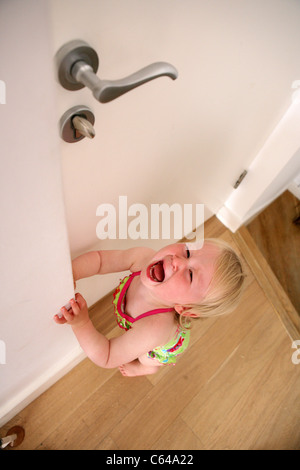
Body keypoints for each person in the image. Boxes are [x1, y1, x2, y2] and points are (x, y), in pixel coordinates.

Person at [54, 239, 245, 377]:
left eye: (190, 275)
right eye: (187, 251)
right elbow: (101, 261)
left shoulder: (154, 329)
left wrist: (81, 324)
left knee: (147, 357)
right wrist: (73, 272)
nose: (177, 260)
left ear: (185, 307)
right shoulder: (143, 257)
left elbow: (108, 355)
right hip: (144, 328)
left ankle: (144, 369)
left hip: (164, 346)